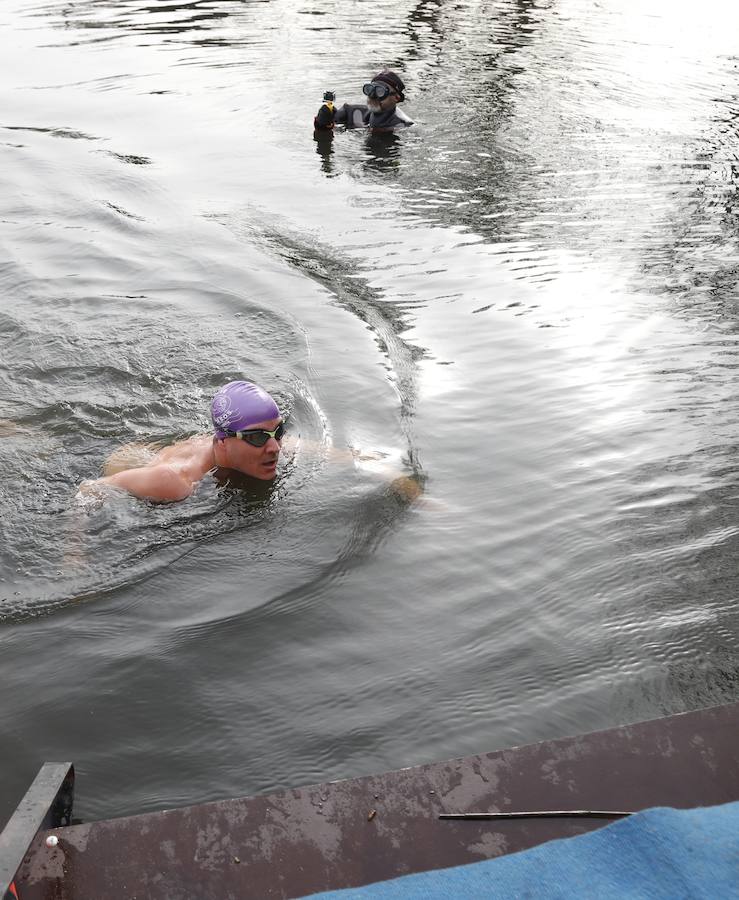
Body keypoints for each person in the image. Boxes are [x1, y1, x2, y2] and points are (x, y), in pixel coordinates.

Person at [84, 381, 284, 503]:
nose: (275, 448)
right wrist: (74, 556)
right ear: (223, 442)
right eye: (257, 437)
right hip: (127, 463)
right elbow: (90, 489)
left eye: (278, 431)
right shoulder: (174, 482)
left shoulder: (264, 442)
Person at [314, 70, 413, 133]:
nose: (373, 96)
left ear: (396, 98)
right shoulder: (351, 112)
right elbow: (326, 128)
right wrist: (323, 121)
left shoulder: (404, 127)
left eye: (380, 91)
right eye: (370, 90)